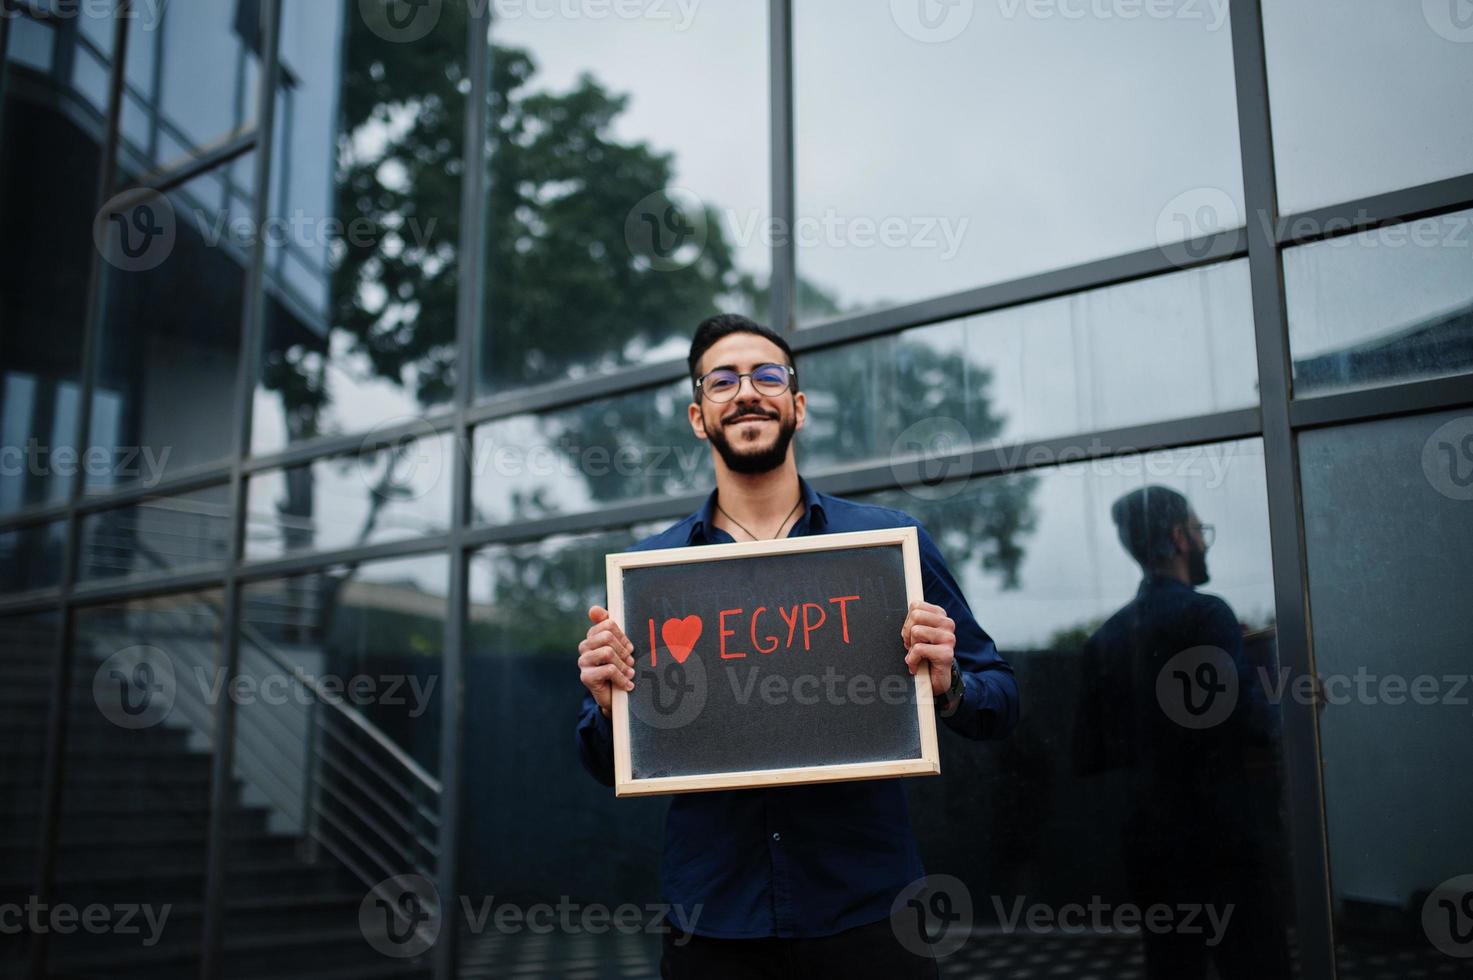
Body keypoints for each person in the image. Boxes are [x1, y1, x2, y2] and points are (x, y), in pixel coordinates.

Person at [574, 314, 1020, 977]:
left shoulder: (885, 546)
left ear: (798, 406)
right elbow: (603, 760)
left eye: (767, 375)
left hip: (868, 915)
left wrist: (949, 684)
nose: (746, 391)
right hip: (714, 922)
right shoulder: (649, 576)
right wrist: (611, 708)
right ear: (698, 417)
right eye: (722, 380)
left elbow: (999, 702)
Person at [1073, 485, 1291, 979]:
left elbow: (1089, 754)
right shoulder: (1207, 613)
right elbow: (1251, 722)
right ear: (1179, 537)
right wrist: (1291, 705)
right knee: (1256, 963)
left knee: (1173, 967)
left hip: (1149, 843)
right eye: (1199, 530)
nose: (1204, 541)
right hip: (1224, 835)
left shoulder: (1104, 639)